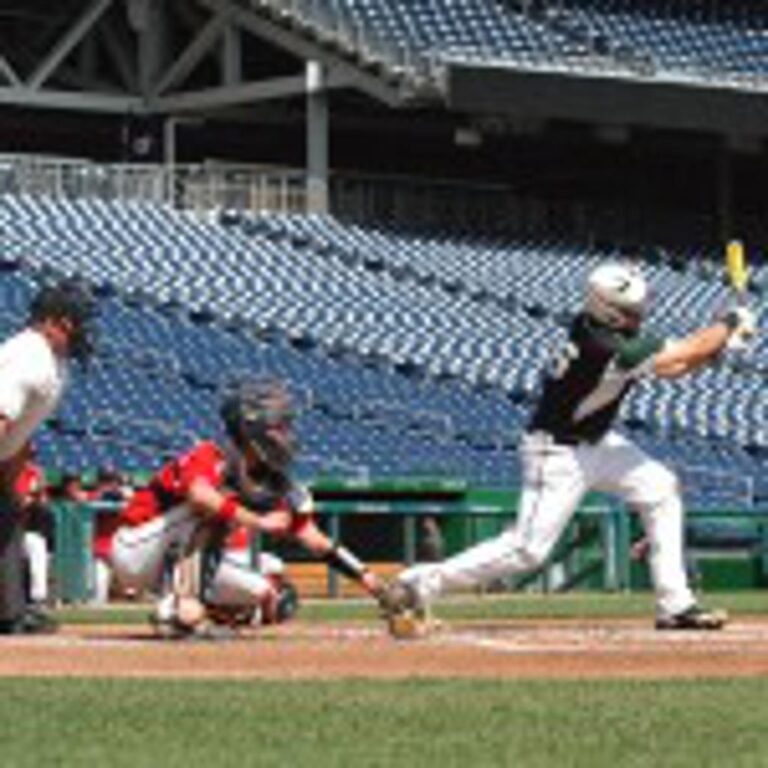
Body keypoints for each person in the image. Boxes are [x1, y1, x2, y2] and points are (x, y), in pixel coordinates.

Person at [382, 262, 756, 636]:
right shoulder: (604, 346)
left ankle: (676, 605)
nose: (639, 313)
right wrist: (727, 325)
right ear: (609, 311)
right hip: (557, 452)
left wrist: (719, 345)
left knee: (660, 488)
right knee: (528, 550)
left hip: (596, 442)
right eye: (630, 309)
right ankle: (418, 583)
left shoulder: (597, 327)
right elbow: (677, 356)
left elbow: (674, 366)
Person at [110, 377, 384, 638]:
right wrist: (258, 521)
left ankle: (189, 607)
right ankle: (180, 612)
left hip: (176, 562)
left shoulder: (269, 478)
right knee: (211, 508)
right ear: (252, 430)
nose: (286, 436)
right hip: (136, 549)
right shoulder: (213, 454)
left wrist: (371, 581)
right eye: (279, 428)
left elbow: (313, 538)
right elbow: (199, 495)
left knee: (270, 597)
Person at [0, 279, 97, 634]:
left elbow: (18, 435)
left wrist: (9, 485)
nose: (83, 331)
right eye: (77, 321)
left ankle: (9, 613)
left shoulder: (52, 361)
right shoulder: (29, 356)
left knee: (7, 513)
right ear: (56, 321)